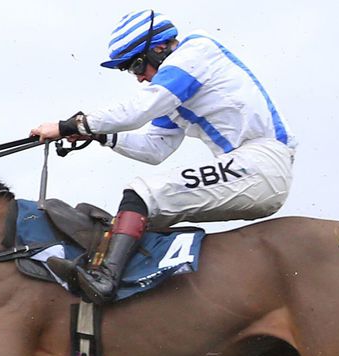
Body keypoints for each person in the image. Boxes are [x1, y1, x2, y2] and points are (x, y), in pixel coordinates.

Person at [31, 9, 297, 304]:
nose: (139, 78)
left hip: (260, 165)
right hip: (248, 166)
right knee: (147, 200)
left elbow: (139, 110)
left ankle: (105, 279)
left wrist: (70, 124)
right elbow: (156, 148)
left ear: (159, 48)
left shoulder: (195, 53)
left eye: (136, 67)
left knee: (141, 193)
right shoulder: (178, 90)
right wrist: (100, 135)